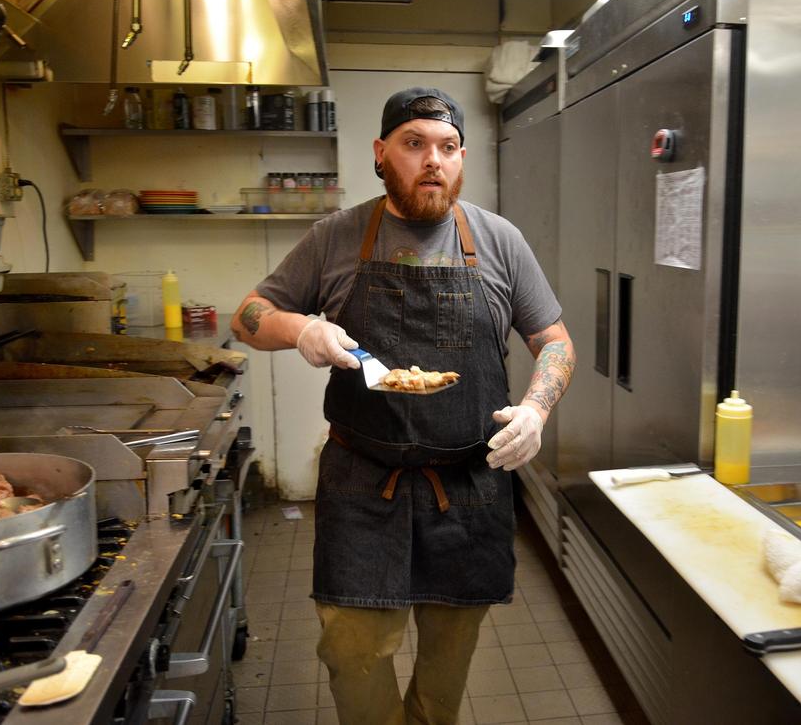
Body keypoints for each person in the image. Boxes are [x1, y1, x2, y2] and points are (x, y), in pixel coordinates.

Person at [230, 86, 575, 724]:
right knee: (353, 655)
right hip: (363, 485)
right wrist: (300, 329)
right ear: (381, 153)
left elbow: (553, 342)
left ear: (462, 157)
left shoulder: (500, 242)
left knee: (448, 663)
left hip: (468, 489)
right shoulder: (334, 237)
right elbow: (248, 316)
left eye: (447, 147)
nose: (432, 160)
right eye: (414, 144)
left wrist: (536, 409)